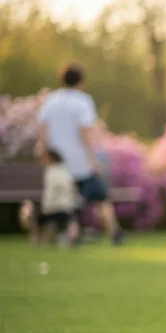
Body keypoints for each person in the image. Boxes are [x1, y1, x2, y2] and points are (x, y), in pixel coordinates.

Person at [34, 63, 124, 245]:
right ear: (81, 81)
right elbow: (85, 134)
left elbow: (42, 130)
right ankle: (114, 233)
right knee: (101, 198)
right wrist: (93, 160)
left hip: (59, 164)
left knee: (62, 202)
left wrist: (46, 155)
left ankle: (61, 236)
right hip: (81, 164)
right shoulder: (83, 101)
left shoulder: (51, 101)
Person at [19, 148, 80, 247]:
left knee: (28, 209)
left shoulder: (51, 172)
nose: (41, 161)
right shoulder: (64, 171)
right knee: (66, 222)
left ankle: (35, 239)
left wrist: (45, 207)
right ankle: (44, 240)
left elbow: (50, 195)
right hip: (67, 208)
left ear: (50, 159)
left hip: (54, 209)